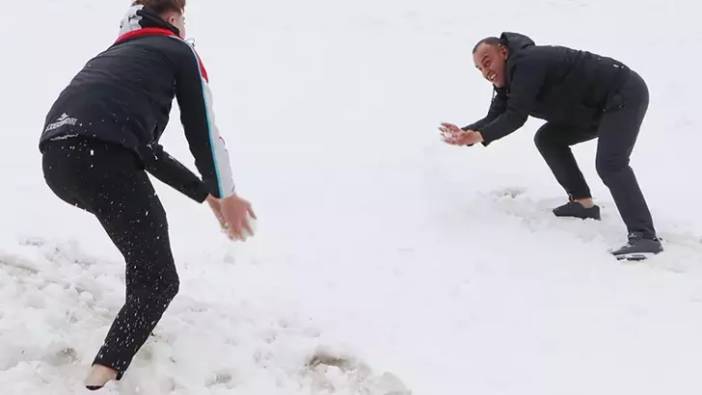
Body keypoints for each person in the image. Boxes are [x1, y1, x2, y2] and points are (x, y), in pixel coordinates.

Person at [39, 0, 256, 389]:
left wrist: (208, 197)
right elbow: (202, 131)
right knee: (158, 279)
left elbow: (145, 150)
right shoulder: (177, 50)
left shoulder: (112, 58)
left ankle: (134, 321)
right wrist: (228, 192)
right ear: (173, 18)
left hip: (58, 162)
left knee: (143, 253)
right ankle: (103, 375)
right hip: (103, 160)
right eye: (184, 19)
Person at [439, 32, 662, 260]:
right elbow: (496, 116)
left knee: (610, 164)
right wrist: (465, 133)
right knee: (548, 138)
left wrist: (477, 136)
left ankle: (644, 236)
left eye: (487, 63)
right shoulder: (509, 83)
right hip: (593, 109)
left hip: (622, 94)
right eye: (480, 69)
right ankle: (582, 203)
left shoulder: (527, 62)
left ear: (504, 52)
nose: (486, 73)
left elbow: (516, 116)